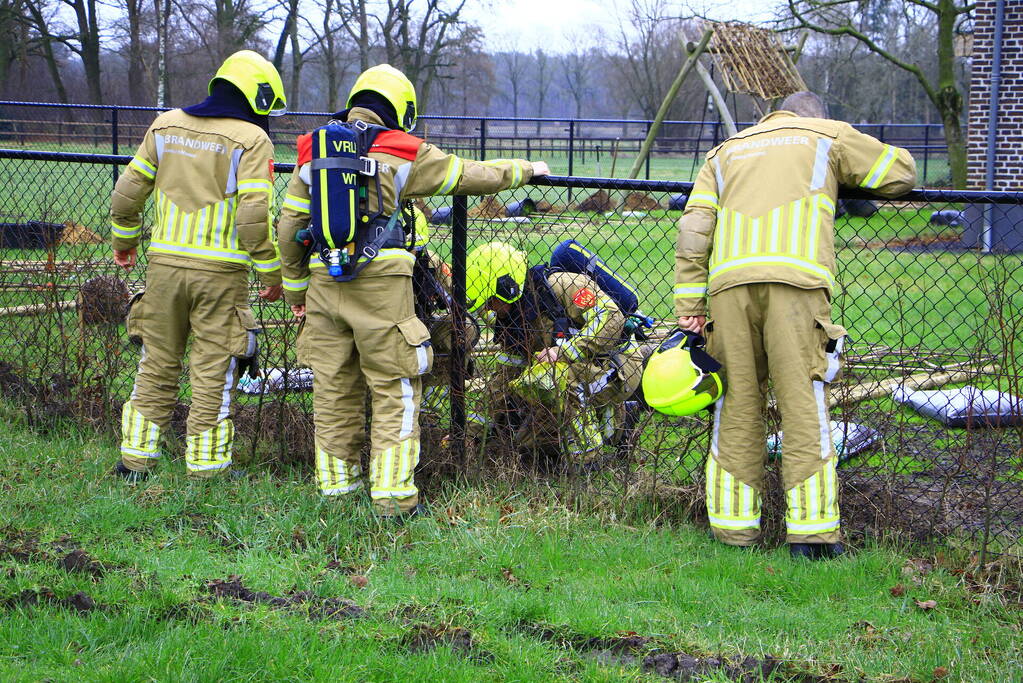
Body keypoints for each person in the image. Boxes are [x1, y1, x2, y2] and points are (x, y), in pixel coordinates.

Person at [276, 64, 549, 518]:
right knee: (394, 386)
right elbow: (471, 175)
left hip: (324, 280)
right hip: (381, 284)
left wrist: (296, 291)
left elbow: (289, 227)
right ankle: (393, 497)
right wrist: (525, 169)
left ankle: (337, 490)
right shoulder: (403, 150)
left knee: (333, 388)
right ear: (402, 110)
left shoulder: (313, 149)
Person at [674, 91, 917, 559]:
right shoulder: (827, 135)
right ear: (817, 115)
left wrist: (690, 301)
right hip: (798, 287)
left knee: (736, 408)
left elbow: (694, 227)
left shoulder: (725, 151)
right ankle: (811, 537)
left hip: (728, 289)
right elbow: (901, 172)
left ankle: (733, 533)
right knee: (804, 406)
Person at [111, 50, 286, 481]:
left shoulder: (165, 124)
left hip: (163, 267)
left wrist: (124, 238)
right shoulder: (251, 139)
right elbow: (252, 217)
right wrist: (270, 271)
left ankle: (135, 460)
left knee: (156, 361)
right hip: (221, 274)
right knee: (213, 369)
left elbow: (127, 191)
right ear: (259, 97)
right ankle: (207, 468)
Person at [464, 242, 650, 469]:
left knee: (556, 377)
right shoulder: (514, 320)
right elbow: (502, 380)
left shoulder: (562, 285)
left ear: (507, 286)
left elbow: (613, 319)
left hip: (619, 364)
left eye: (490, 302)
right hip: (576, 371)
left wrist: (564, 351)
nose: (488, 310)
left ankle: (587, 462)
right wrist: (470, 434)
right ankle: (619, 424)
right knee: (529, 445)